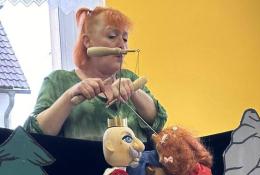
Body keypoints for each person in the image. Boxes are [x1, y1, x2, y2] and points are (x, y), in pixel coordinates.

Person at [24, 6, 167, 142]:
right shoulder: (58, 80)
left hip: (133, 161)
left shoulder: (130, 78)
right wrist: (69, 97)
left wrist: (134, 92)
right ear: (88, 42)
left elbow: (158, 122)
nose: (122, 45)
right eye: (112, 36)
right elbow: (35, 133)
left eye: (125, 39)